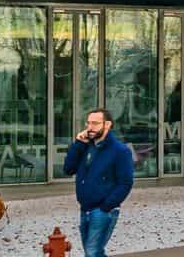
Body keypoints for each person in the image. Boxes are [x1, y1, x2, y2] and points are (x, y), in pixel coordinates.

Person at [63, 107, 134, 257]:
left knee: (92, 251)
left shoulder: (120, 151)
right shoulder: (86, 146)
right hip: (85, 208)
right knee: (93, 252)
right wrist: (78, 144)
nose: (90, 127)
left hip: (103, 210)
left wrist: (107, 206)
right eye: (88, 123)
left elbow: (126, 183)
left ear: (107, 125)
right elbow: (68, 169)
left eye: (95, 123)